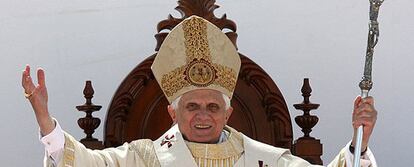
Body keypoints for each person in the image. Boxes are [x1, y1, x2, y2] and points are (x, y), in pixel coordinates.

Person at [22, 16, 378, 167]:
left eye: (212, 105)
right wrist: (45, 121)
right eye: (192, 106)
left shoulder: (263, 160)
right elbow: (86, 164)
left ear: (229, 113)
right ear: (173, 113)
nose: (203, 115)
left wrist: (358, 140)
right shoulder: (143, 159)